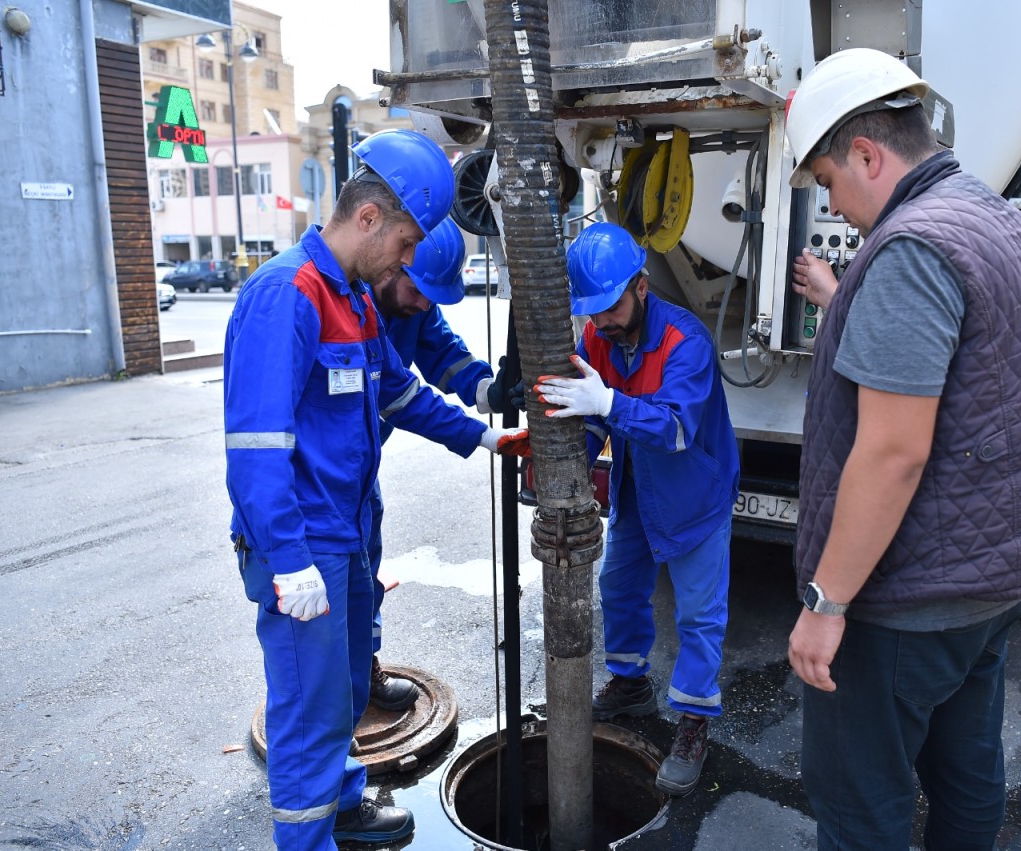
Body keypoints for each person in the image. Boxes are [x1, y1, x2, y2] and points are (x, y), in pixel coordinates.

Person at [784, 49, 1021, 849]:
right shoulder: (994, 217)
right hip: (992, 576)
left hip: (908, 597)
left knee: (860, 805)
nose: (835, 207)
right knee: (966, 773)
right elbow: (969, 362)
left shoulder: (910, 247)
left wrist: (826, 604)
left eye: (831, 183)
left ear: (869, 154)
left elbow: (894, 451)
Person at [223, 128, 525, 850]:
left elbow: (398, 393)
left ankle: (345, 803)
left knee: (346, 694)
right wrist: (289, 559)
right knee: (307, 708)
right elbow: (256, 448)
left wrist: (483, 436)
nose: (410, 260)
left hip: (347, 531)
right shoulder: (287, 295)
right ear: (369, 219)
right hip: (303, 544)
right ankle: (308, 838)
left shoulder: (354, 299)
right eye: (408, 244)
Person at [535, 222, 740, 797]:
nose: (600, 321)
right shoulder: (598, 338)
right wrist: (558, 464)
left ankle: (695, 720)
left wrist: (608, 402)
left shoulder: (687, 343)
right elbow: (588, 414)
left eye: (610, 306)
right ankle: (630, 684)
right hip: (635, 490)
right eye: (591, 311)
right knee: (619, 588)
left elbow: (674, 428)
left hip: (694, 497)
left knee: (699, 616)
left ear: (642, 287)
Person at [362, 217, 525, 712]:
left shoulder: (413, 301)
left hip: (361, 464)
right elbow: (404, 398)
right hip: (319, 471)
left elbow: (443, 354)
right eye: (416, 290)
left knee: (365, 565)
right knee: (327, 591)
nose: (423, 304)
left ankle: (362, 669)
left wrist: (486, 389)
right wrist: (485, 435)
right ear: (395, 260)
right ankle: (324, 710)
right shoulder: (352, 304)